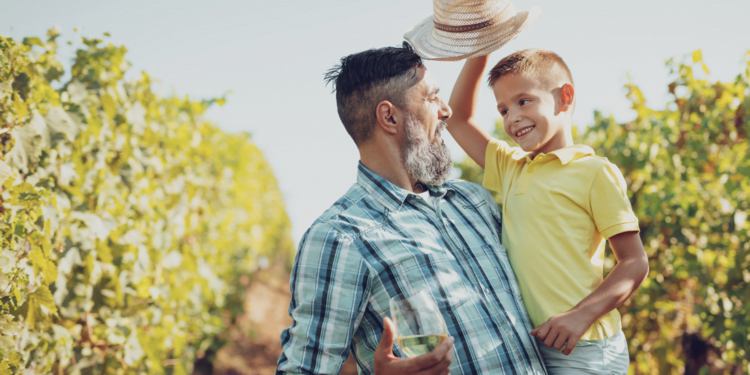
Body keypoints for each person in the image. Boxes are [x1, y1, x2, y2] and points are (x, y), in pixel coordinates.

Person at [275, 42, 547, 375]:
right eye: (432, 97)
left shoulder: (473, 202)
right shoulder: (340, 237)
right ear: (389, 116)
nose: (445, 110)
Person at [444, 49, 650, 374]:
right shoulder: (511, 168)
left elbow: (635, 262)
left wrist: (580, 316)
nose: (512, 117)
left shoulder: (595, 172)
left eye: (524, 101)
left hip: (585, 347)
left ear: (564, 97)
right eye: (503, 109)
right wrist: (479, 49)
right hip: (532, 345)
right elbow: (456, 119)